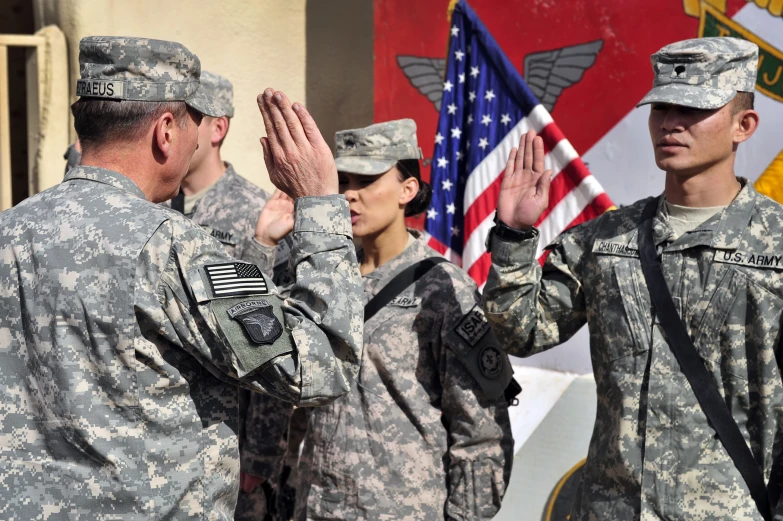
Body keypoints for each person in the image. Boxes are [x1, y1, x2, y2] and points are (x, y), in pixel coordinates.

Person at [0, 35, 363, 520]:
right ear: (166, 130)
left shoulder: (9, 230)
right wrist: (320, 205)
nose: (195, 140)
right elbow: (319, 365)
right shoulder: (173, 245)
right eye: (194, 122)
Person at [482, 37, 783, 519]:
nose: (670, 123)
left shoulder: (777, 245)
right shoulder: (604, 239)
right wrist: (514, 234)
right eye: (661, 107)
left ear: (743, 126)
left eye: (692, 108)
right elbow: (517, 332)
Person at [294, 119, 514, 520]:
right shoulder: (324, 279)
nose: (349, 195)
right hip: (317, 505)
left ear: (407, 189)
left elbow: (480, 432)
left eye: (367, 180)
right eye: (343, 181)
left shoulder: (444, 289)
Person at [151, 69, 295, 521]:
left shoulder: (260, 212)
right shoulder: (150, 209)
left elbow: (275, 335)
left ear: (218, 128)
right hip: (159, 442)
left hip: (229, 440)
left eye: (188, 117)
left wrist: (261, 454)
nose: (173, 130)